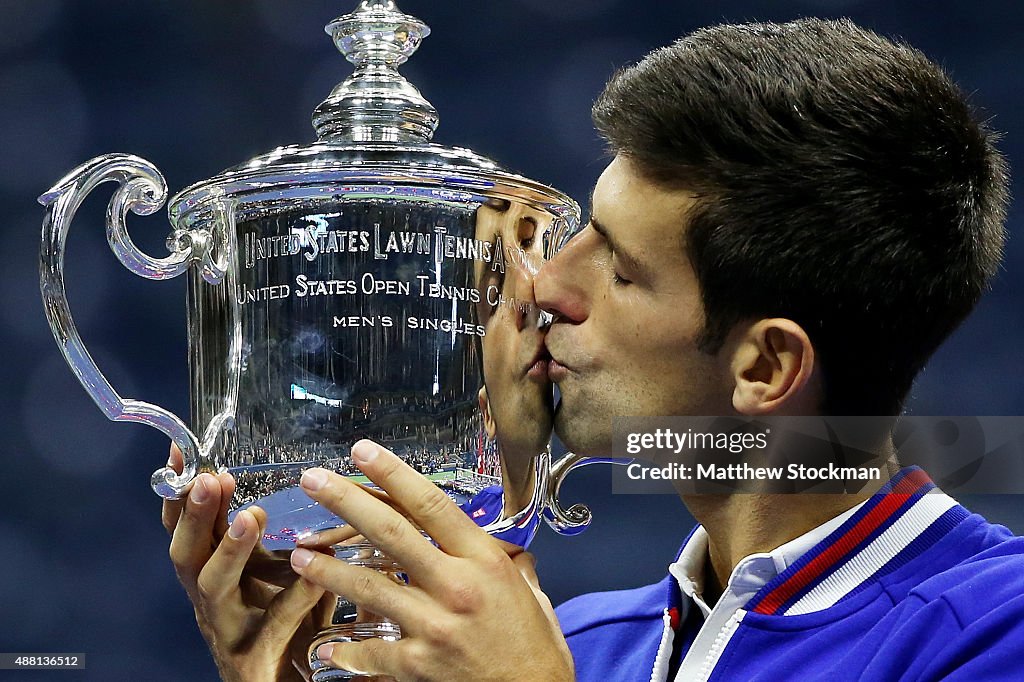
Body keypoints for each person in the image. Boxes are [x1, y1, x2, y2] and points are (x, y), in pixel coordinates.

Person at [162, 17, 1024, 681]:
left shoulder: (992, 631)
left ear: (764, 367)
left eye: (619, 265)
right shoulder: (579, 639)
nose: (543, 285)